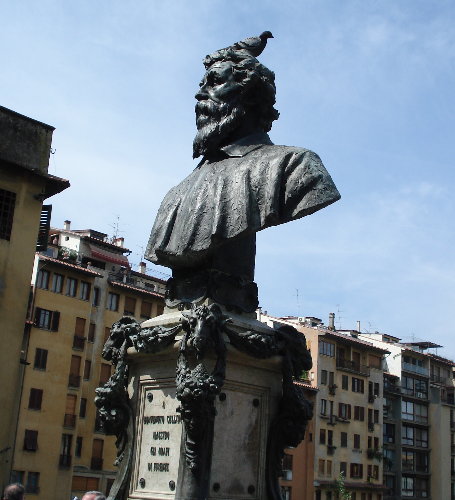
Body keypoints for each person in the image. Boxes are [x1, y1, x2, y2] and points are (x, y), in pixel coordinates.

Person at [146, 36, 340, 311]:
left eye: (214, 83)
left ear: (249, 94)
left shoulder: (293, 165)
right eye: (202, 85)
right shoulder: (177, 192)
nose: (200, 95)